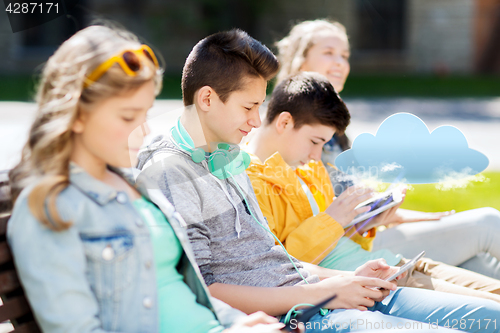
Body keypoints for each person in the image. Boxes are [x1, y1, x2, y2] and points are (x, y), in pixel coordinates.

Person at [137, 28, 500, 333]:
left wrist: (345, 278)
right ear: (207, 99)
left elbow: (275, 260)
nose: (255, 121)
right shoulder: (172, 169)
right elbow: (205, 288)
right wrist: (325, 293)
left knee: (492, 317)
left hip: (322, 292)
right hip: (306, 314)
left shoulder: (229, 154)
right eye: (248, 107)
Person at [7, 25, 287, 333]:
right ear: (77, 113)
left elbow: (179, 286)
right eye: (128, 117)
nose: (143, 131)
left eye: (144, 115)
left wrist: (239, 321)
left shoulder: (135, 186)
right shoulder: (50, 210)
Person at [245, 71, 500, 304]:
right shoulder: (251, 181)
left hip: (395, 264)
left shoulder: (308, 169)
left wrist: (363, 224)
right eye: (314, 141)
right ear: (284, 123)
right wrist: (332, 220)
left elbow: (336, 241)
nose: (316, 155)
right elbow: (281, 268)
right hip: (377, 282)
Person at [275, 19, 500, 279]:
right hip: (342, 250)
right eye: (328, 53)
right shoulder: (287, 128)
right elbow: (308, 219)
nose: (340, 62)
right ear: (300, 61)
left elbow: (354, 208)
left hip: (366, 234)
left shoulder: (334, 131)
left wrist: (402, 213)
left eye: (345, 55)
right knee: (487, 223)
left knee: (479, 264)